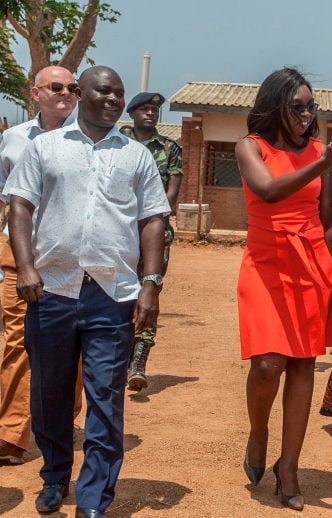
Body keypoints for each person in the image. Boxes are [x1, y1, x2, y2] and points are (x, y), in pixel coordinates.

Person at [5, 66, 170, 518]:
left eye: (119, 93)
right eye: (106, 91)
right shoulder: (45, 148)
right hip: (51, 290)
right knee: (50, 393)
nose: (115, 99)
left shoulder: (137, 156)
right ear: (81, 94)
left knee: (104, 396)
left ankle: (95, 497)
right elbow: (19, 205)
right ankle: (56, 476)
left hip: (113, 293)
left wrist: (151, 283)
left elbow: (153, 219)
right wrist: (25, 267)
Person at [235, 67, 332, 511]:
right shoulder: (249, 147)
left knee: (302, 367)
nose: (307, 114)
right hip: (265, 262)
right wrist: (322, 163)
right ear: (276, 105)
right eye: (298, 106)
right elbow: (269, 191)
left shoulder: (317, 151)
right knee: (269, 363)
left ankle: (288, 467)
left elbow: (328, 217)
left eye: (312, 107)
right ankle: (258, 434)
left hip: (311, 261)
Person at [0, 65, 79, 465]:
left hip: (73, 263)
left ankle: (63, 420)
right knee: (17, 342)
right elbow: (3, 204)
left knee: (74, 351)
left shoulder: (92, 141)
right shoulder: (12, 141)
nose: (67, 93)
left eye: (73, 87)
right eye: (57, 86)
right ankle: (11, 435)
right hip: (20, 260)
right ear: (36, 93)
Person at [120, 92, 183, 391]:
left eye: (155, 110)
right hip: (118, 232)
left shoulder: (170, 148)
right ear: (131, 113)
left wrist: (154, 216)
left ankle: (139, 359)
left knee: (149, 290)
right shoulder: (117, 142)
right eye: (144, 109)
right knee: (119, 292)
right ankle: (119, 355)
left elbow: (172, 191)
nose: (151, 114)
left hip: (155, 233)